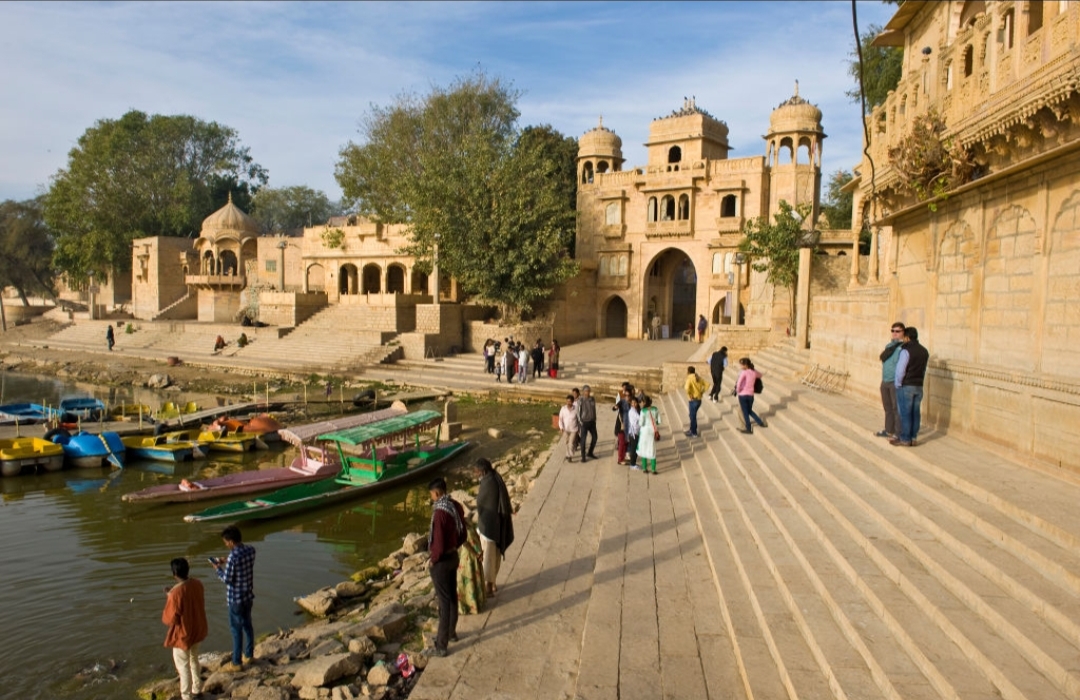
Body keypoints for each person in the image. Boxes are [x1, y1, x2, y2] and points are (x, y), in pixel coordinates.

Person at [427, 477, 466, 657]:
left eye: (432, 495)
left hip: (442, 561)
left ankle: (441, 644)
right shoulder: (455, 506)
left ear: (436, 493)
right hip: (453, 556)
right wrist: (454, 547)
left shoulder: (440, 513)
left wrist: (433, 560)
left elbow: (439, 543)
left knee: (444, 601)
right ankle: (452, 632)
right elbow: (462, 533)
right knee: (451, 596)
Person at [162, 557, 208, 700]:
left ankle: (186, 696)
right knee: (194, 659)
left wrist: (169, 597)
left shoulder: (175, 594)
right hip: (197, 629)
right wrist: (171, 595)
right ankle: (197, 689)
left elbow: (169, 619)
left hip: (183, 634)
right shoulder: (197, 584)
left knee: (183, 666)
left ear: (174, 574)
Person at [211, 525, 256, 671]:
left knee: (236, 629)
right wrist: (226, 561)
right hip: (247, 596)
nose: (225, 544)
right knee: (247, 625)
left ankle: (236, 662)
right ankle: (249, 655)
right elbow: (241, 563)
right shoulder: (250, 550)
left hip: (235, 599)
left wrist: (218, 569)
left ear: (230, 541)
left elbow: (227, 579)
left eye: (225, 541)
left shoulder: (233, 557)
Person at [474, 458, 514, 597]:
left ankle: (489, 587)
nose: (476, 474)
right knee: (494, 556)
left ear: (483, 471)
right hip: (496, 524)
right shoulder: (495, 477)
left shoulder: (488, 483)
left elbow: (481, 503)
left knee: (488, 558)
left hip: (489, 527)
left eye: (477, 471)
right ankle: (493, 583)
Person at [892, 326, 928, 447]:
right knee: (915, 412)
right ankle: (913, 437)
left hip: (906, 385)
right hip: (918, 385)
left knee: (905, 413)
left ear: (907, 337)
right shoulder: (924, 351)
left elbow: (901, 370)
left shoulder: (906, 350)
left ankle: (905, 438)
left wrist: (898, 383)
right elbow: (923, 369)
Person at [876, 323, 906, 439]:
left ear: (903, 332)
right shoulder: (889, 345)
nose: (894, 333)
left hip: (895, 381)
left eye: (898, 331)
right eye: (893, 331)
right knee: (887, 407)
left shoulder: (903, 348)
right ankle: (888, 430)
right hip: (885, 380)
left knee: (896, 408)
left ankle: (898, 433)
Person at [735, 358, 768, 434]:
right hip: (750, 394)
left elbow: (739, 383)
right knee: (749, 410)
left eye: (741, 364)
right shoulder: (754, 372)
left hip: (743, 395)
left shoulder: (744, 372)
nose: (740, 366)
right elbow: (760, 375)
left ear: (745, 365)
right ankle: (760, 423)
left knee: (745, 412)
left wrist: (738, 390)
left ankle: (748, 428)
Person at [637, 396, 661, 474]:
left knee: (644, 449)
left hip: (644, 431)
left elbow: (641, 423)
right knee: (652, 449)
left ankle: (644, 468)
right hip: (652, 432)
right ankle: (653, 469)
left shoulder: (643, 411)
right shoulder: (655, 409)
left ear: (644, 402)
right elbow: (658, 421)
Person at [684, 366, 707, 438]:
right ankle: (691, 429)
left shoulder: (689, 379)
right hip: (699, 399)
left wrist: (690, 394)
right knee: (692, 415)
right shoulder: (698, 377)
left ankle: (694, 433)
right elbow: (707, 384)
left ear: (688, 371)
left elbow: (686, 388)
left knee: (692, 416)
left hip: (693, 400)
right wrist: (702, 392)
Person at [577, 385, 598, 462]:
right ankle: (583, 457)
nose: (587, 392)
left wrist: (595, 419)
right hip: (584, 422)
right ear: (583, 392)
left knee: (595, 437)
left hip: (592, 422)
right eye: (586, 391)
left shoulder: (592, 399)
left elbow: (594, 409)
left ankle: (590, 452)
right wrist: (580, 422)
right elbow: (578, 412)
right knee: (583, 440)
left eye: (589, 391)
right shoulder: (580, 400)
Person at [558, 394, 580, 462]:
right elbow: (560, 419)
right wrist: (561, 427)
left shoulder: (576, 409)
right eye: (567, 401)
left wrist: (579, 429)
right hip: (565, 429)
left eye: (570, 401)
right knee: (566, 442)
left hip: (573, 429)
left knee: (571, 443)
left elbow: (579, 419)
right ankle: (568, 454)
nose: (568, 403)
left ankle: (570, 455)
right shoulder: (563, 409)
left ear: (573, 402)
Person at [612, 387, 630, 464]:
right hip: (622, 425)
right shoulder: (621, 402)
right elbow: (614, 408)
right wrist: (615, 407)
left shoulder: (632, 402)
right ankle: (620, 459)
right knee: (622, 442)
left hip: (629, 425)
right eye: (625, 395)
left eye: (628, 396)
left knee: (626, 442)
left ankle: (623, 457)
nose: (627, 397)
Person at [626, 396, 641, 469]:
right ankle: (632, 464)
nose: (634, 404)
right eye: (633, 403)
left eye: (635, 403)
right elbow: (640, 418)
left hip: (635, 431)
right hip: (633, 432)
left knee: (634, 448)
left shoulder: (635, 410)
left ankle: (633, 463)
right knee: (633, 449)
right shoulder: (632, 411)